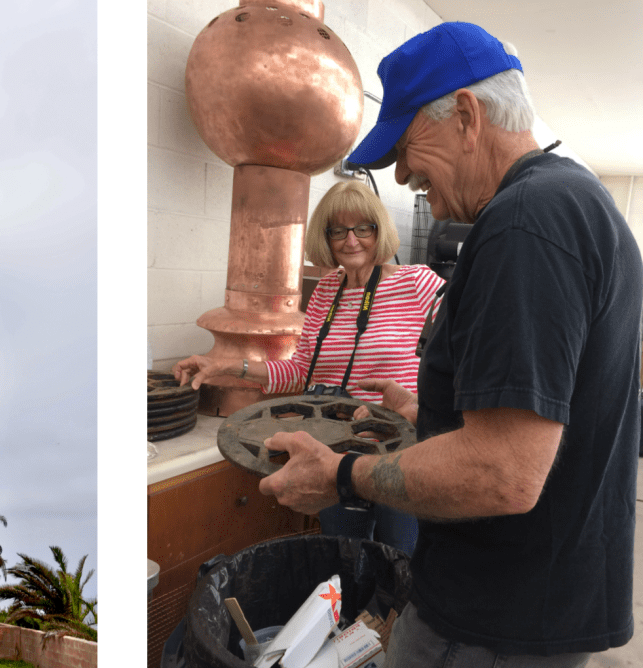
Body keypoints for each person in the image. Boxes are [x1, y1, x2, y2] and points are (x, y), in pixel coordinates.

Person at [256, 22, 642, 667]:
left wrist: (342, 474)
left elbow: (502, 473)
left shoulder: (526, 221)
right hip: (538, 604)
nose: (404, 173)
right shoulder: (579, 201)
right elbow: (550, 412)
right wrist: (426, 415)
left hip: (491, 620)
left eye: (407, 146)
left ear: (465, 113)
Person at [172, 180, 445, 555]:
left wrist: (419, 401)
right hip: (334, 453)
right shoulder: (325, 292)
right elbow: (299, 372)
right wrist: (222, 365)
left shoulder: (418, 284)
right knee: (343, 557)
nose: (351, 241)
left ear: (379, 230)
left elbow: (467, 348)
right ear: (326, 237)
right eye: (338, 231)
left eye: (363, 228)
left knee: (400, 558)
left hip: (397, 454)